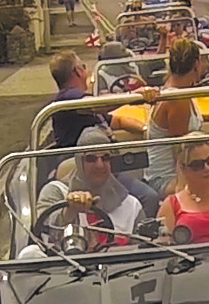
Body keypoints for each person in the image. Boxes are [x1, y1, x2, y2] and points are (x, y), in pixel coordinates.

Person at [45, 50, 159, 215]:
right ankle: (140, 237)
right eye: (84, 67)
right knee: (149, 197)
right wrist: (134, 95)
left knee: (142, 184)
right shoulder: (69, 97)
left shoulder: (83, 100)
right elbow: (94, 106)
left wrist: (146, 130)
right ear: (77, 71)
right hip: (83, 168)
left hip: (106, 163)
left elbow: (116, 121)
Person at [144, 38, 209, 194]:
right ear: (196, 64)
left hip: (182, 169)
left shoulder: (177, 90)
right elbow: (183, 153)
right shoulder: (178, 99)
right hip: (167, 178)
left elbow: (186, 121)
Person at [35, 126, 146, 249]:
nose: (99, 165)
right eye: (91, 159)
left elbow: (143, 255)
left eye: (105, 158)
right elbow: (42, 236)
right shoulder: (55, 192)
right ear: (79, 162)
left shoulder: (131, 206)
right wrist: (69, 211)